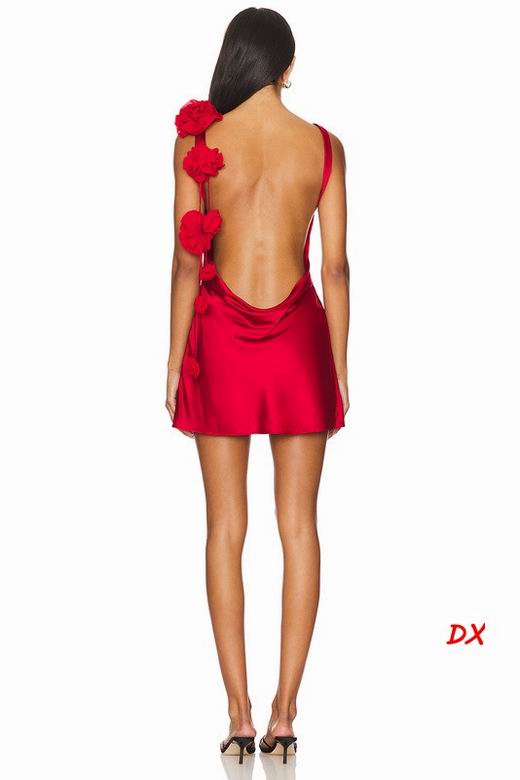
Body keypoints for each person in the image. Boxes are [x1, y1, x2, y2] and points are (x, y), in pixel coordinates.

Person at [165, 7, 350, 764]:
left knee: (224, 528)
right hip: (300, 340)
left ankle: (238, 715)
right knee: (299, 526)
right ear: (287, 65)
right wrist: (340, 365)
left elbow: (186, 258)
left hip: (220, 340)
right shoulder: (324, 146)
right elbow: (335, 267)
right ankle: (285, 712)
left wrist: (172, 360)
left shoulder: (199, 143)